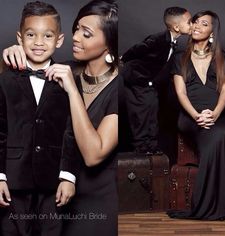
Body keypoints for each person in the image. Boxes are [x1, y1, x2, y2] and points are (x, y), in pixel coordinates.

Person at [3, 0, 118, 234]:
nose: (38, 42)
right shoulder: (14, 76)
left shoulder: (78, 81)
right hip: (23, 184)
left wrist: (68, 176)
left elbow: (81, 142)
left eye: (86, 34)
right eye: (76, 29)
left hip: (70, 189)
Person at [0, 1, 76, 236]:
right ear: (20, 38)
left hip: (53, 179)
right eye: (31, 35)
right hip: (14, 179)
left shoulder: (69, 80)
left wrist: (68, 176)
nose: (39, 42)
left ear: (59, 40)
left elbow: (72, 130)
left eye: (48, 35)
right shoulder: (5, 80)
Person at [167, 10, 225, 220]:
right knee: (214, 138)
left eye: (203, 24)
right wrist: (198, 116)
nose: (196, 26)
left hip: (217, 114)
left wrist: (214, 114)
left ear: (212, 31)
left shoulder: (222, 57)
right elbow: (180, 92)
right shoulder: (180, 58)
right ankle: (209, 204)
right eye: (195, 22)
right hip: (190, 116)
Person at [121, 7, 191, 155]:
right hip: (137, 80)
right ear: (176, 27)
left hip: (150, 83)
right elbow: (138, 49)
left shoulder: (173, 42)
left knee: (152, 111)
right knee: (141, 113)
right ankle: (141, 147)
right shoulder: (158, 39)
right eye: (189, 22)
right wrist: (122, 59)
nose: (192, 25)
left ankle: (151, 147)